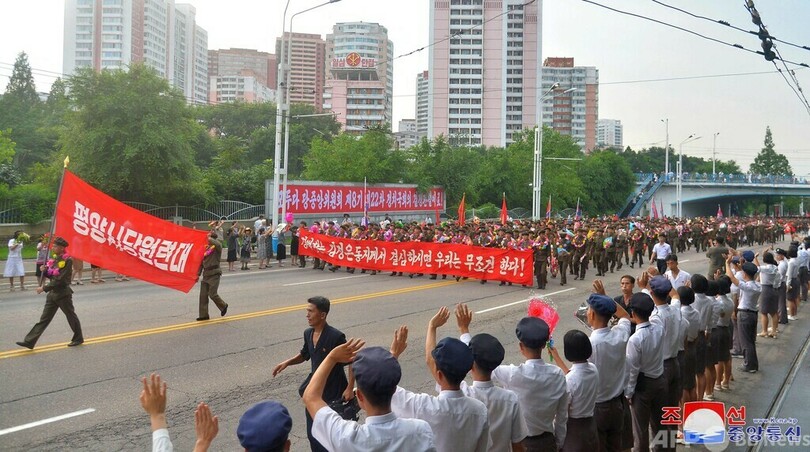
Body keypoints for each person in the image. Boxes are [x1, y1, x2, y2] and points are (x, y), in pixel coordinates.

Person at [304, 335, 436, 451]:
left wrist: (331, 357)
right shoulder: (420, 431)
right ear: (394, 390)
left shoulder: (346, 438)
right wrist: (392, 357)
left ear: (360, 396)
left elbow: (310, 396)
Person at [390, 307, 491, 452]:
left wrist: (394, 354)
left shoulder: (423, 407)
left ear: (439, 375)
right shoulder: (480, 410)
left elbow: (386, 387)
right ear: (468, 370)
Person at [272, 296, 354, 452]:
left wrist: (350, 387)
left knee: (331, 437)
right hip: (315, 391)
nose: (307, 315)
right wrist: (287, 362)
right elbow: (304, 354)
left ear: (322, 315)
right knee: (313, 434)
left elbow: (352, 360)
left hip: (334, 393)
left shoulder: (336, 336)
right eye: (306, 311)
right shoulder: (308, 333)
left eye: (311, 311)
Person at [455, 304, 529, 452]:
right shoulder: (510, 399)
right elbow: (518, 445)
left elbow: (438, 368)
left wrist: (464, 330)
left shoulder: (465, 395)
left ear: (470, 365)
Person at [587, 284, 634, 452]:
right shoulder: (620, 334)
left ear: (591, 314)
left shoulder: (590, 344)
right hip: (618, 403)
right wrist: (606, 298)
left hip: (598, 407)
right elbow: (625, 315)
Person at [16, 237, 84, 349]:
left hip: (63, 294)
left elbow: (61, 279)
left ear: (62, 248)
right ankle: (29, 341)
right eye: (53, 246)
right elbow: (53, 275)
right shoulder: (56, 259)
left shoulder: (68, 260)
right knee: (44, 319)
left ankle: (78, 338)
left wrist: (44, 288)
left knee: (70, 316)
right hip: (52, 294)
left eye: (55, 246)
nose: (53, 248)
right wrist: (46, 271)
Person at [625, 292, 669, 452]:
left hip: (643, 386)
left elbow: (633, 370)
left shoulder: (635, 339)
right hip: (659, 379)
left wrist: (629, 394)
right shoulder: (659, 328)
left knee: (640, 430)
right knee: (660, 424)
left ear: (633, 313)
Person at [547, 330, 600, 452]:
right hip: (591, 426)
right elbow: (574, 377)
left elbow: (563, 414)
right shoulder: (593, 369)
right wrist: (557, 358)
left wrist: (558, 441)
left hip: (574, 431)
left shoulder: (571, 380)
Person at [726, 254, 761, 373]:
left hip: (745, 314)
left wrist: (727, 263)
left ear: (745, 274)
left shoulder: (748, 287)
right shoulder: (757, 285)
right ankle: (753, 363)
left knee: (746, 341)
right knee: (750, 340)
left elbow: (732, 278)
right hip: (753, 313)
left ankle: (749, 365)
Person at [197, 230, 229, 321]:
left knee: (212, 294)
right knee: (203, 296)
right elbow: (201, 262)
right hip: (206, 274)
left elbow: (217, 244)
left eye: (210, 239)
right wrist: (198, 274)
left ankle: (223, 306)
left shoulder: (217, 247)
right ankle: (203, 315)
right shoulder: (205, 249)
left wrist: (207, 237)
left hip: (214, 273)